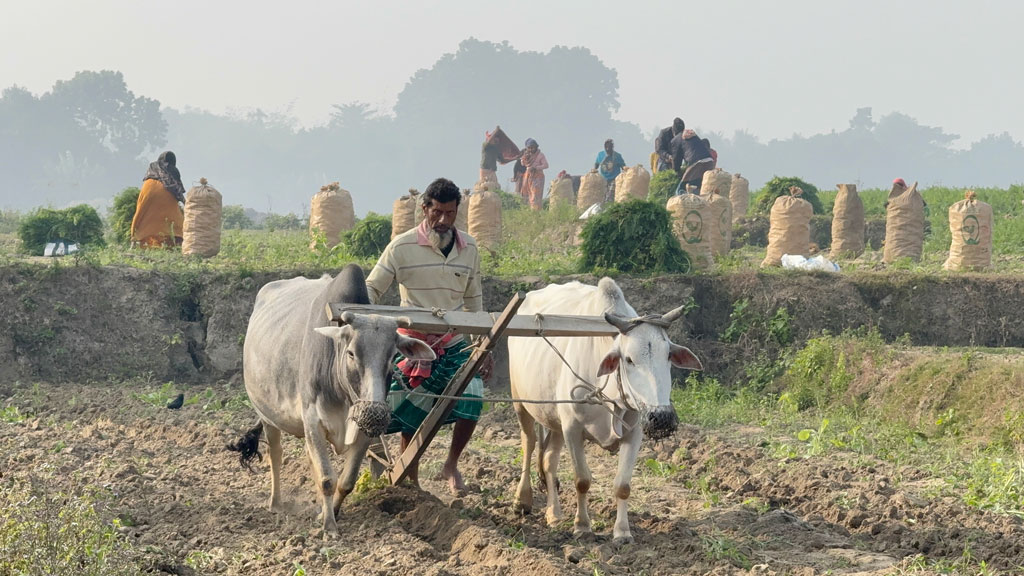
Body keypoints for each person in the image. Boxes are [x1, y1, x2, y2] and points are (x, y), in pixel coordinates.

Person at [366, 177, 492, 496]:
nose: (443, 221)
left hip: (453, 342)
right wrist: (358, 318)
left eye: (450, 213)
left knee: (473, 399)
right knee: (413, 411)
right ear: (424, 209)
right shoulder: (401, 246)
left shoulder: (470, 248)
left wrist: (482, 344)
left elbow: (474, 301)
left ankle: (451, 464)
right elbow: (372, 288)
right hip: (414, 342)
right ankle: (410, 473)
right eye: (437, 212)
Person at [131, 151, 186, 247]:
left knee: (142, 213)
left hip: (148, 190)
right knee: (174, 220)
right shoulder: (172, 169)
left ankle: (135, 237)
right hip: (166, 193)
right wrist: (187, 203)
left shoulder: (152, 168)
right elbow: (177, 189)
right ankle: (175, 241)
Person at [671, 129, 715, 194]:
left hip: (697, 163)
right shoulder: (692, 135)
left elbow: (676, 158)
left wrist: (677, 171)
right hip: (709, 161)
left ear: (674, 132)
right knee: (699, 185)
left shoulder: (676, 139)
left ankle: (683, 202)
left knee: (680, 188)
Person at [519, 138, 548, 210]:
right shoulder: (527, 155)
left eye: (532, 147)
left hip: (538, 177)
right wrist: (524, 158)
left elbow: (546, 165)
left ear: (536, 147)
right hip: (528, 176)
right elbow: (523, 164)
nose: (531, 149)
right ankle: (529, 211)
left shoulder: (540, 155)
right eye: (529, 148)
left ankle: (536, 212)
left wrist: (535, 168)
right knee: (527, 194)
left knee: (535, 195)